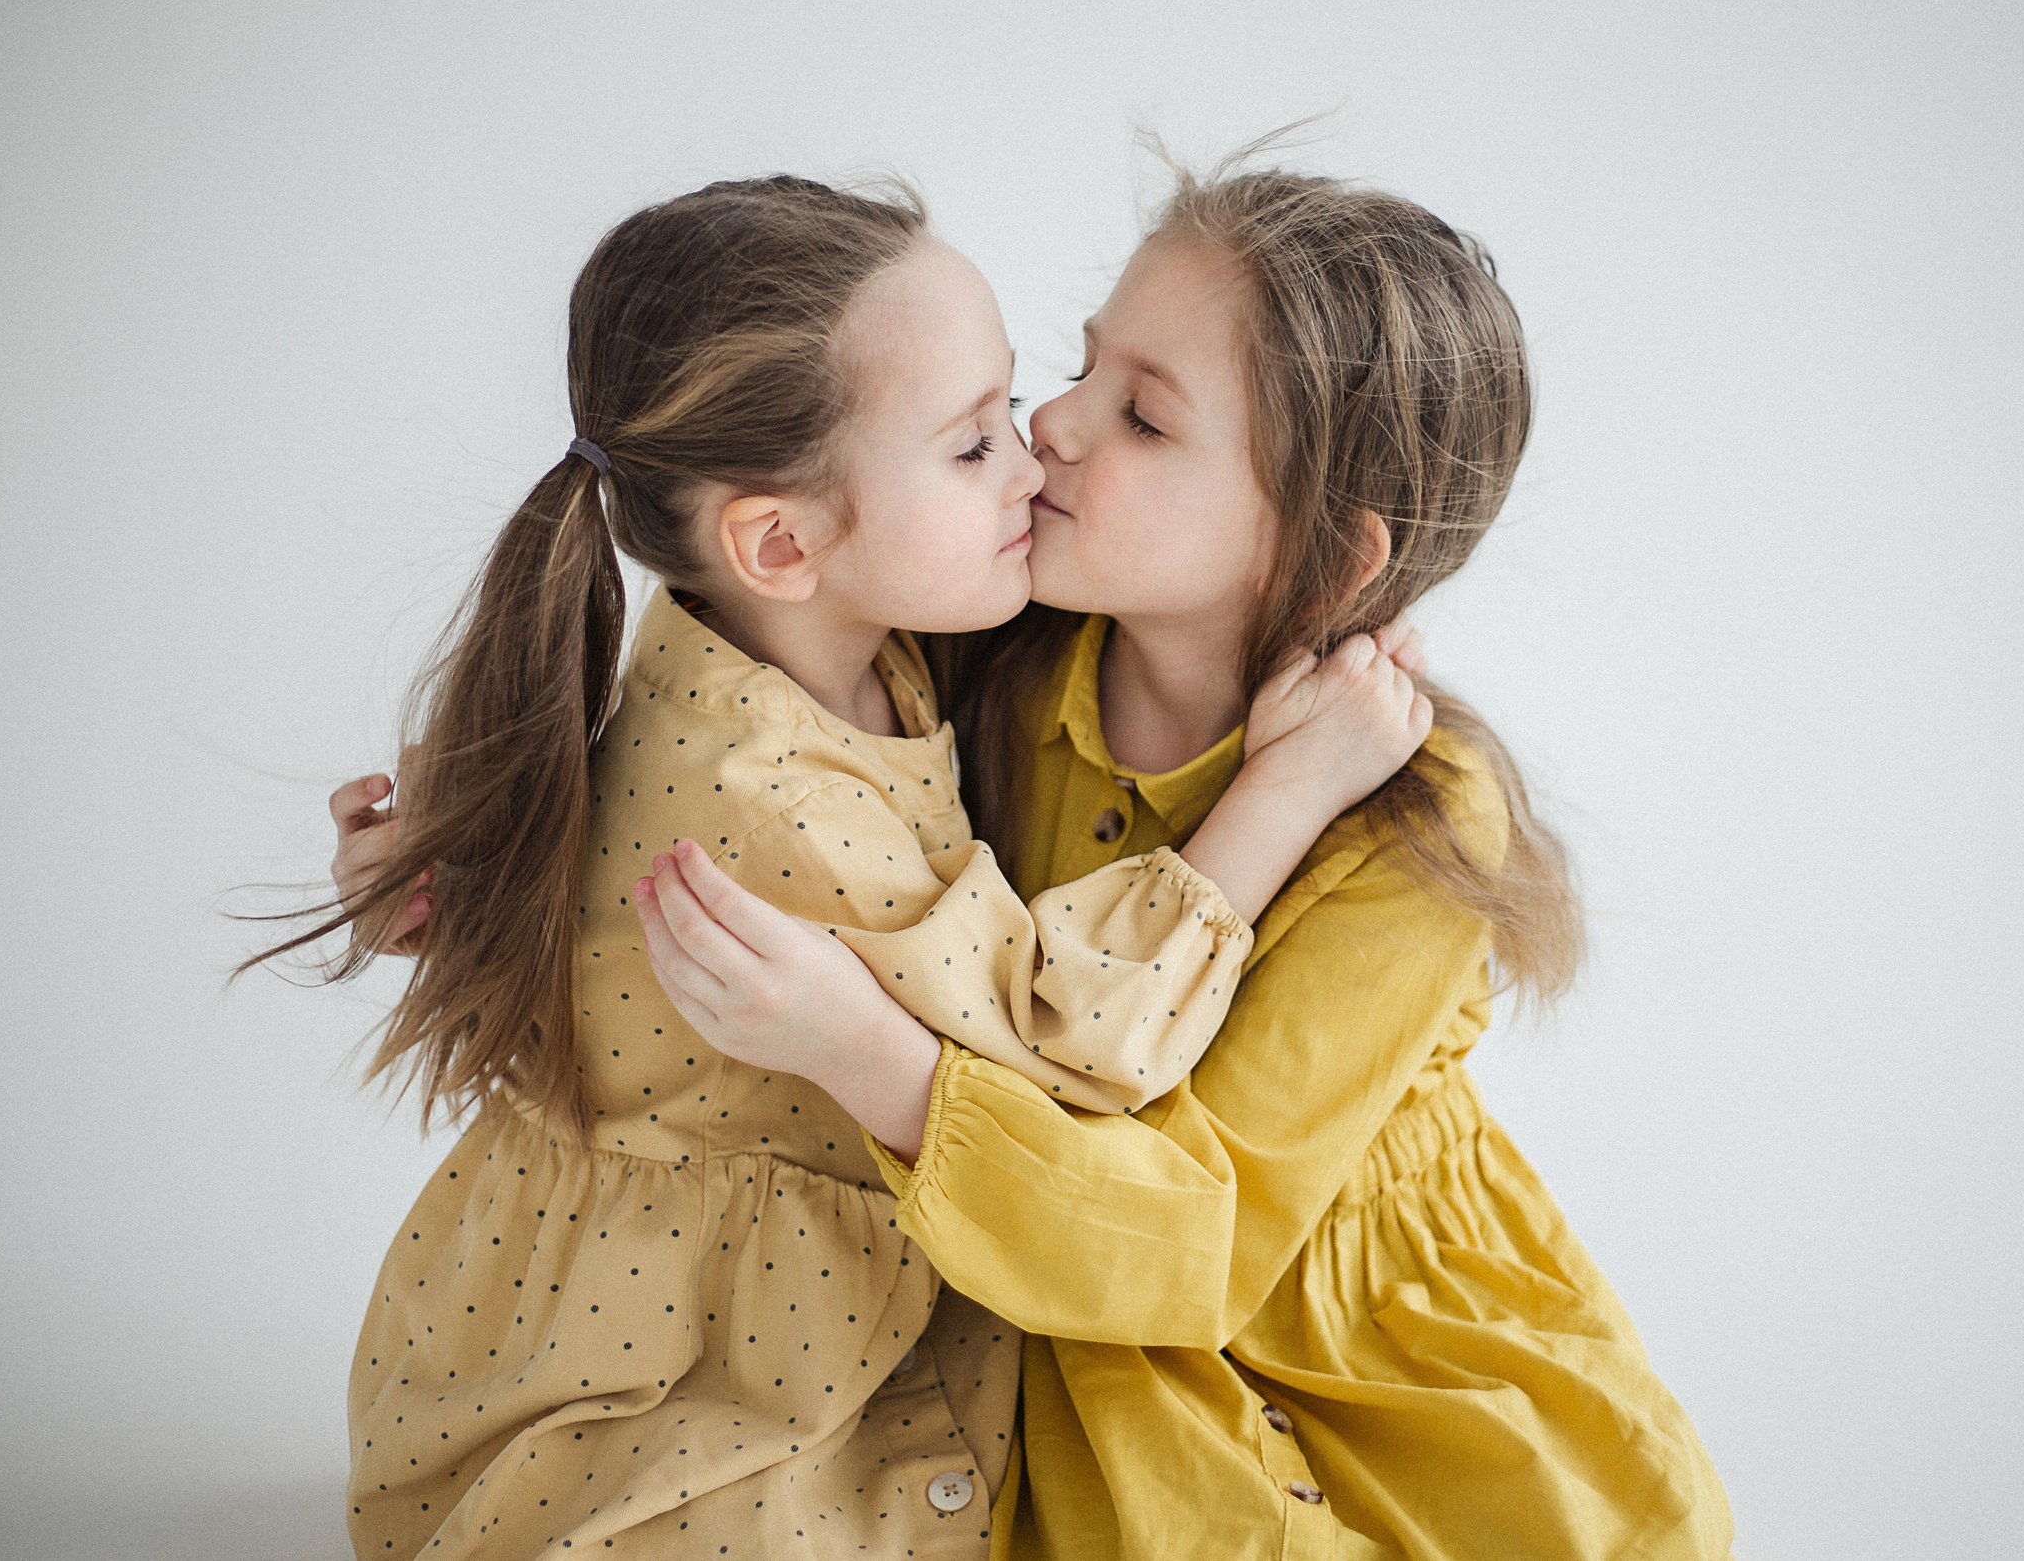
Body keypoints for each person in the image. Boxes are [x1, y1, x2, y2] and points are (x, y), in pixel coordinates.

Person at [288, 175, 1431, 1559]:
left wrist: (472, 874)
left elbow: (601, 836)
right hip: (689, 1359)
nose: (1037, 458)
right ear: (780, 543)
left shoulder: (825, 640)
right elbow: (1064, 1041)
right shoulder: (777, 799)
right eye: (971, 449)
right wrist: (1284, 790)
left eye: (1024, 403)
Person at [630, 161, 1739, 1559]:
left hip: (1300, 1334)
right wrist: (494, 834)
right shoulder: (997, 638)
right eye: (1085, 364)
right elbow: (747, 710)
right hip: (1025, 1267)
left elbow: (1194, 1247)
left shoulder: (1413, 819)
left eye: (1143, 417)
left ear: (1330, 560)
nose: (1051, 421)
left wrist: (873, 1061)